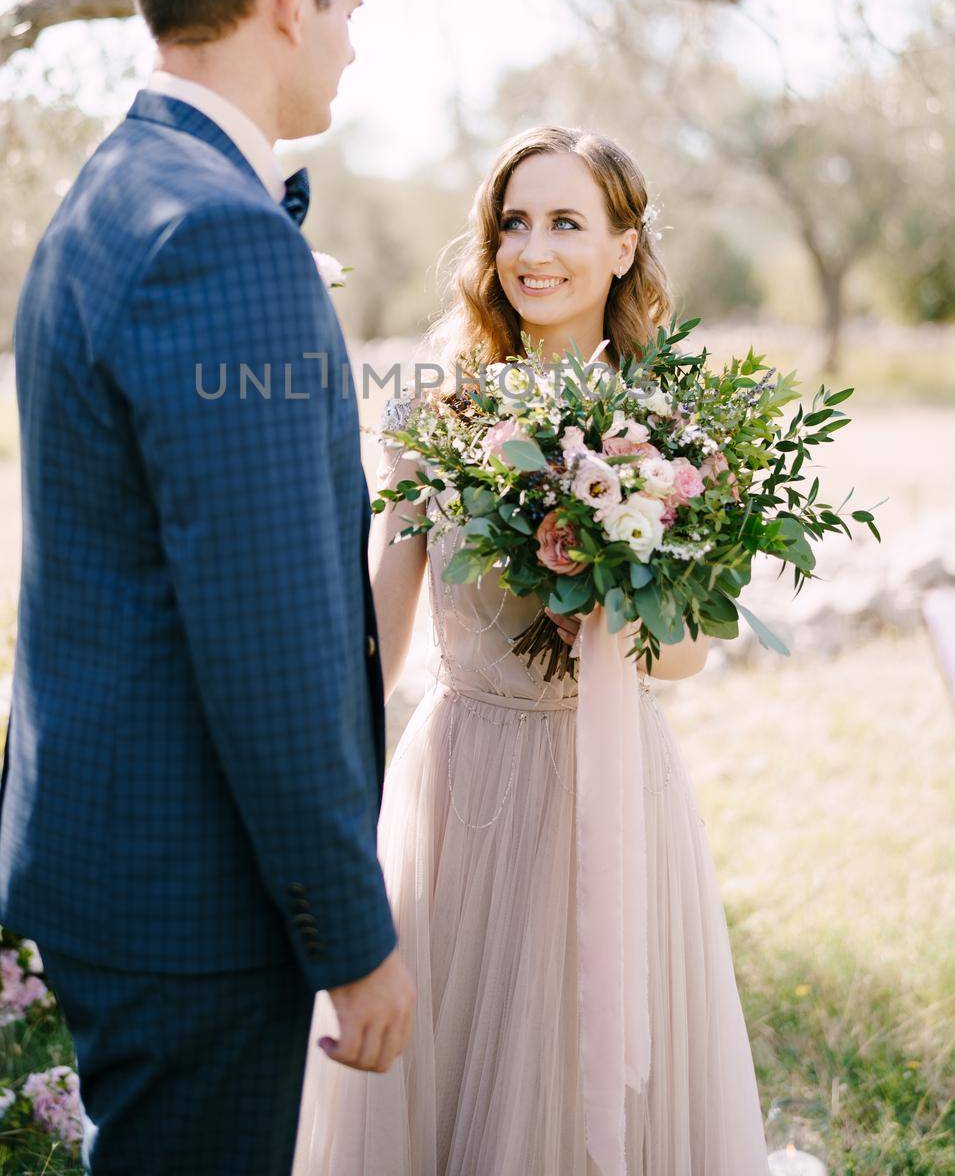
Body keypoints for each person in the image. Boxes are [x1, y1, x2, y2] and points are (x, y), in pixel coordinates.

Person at [0, 0, 415, 1176]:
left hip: (110, 855)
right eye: (347, 6)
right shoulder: (218, 237)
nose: (351, 43)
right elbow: (268, 633)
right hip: (192, 897)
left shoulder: (109, 193)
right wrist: (349, 935)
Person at [292, 124, 771, 1175]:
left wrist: (608, 609)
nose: (532, 249)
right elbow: (381, 630)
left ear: (620, 246)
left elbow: (688, 656)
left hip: (607, 780)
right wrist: (315, 785)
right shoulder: (436, 412)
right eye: (512, 222)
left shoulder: (675, 428)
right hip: (460, 782)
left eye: (565, 221)